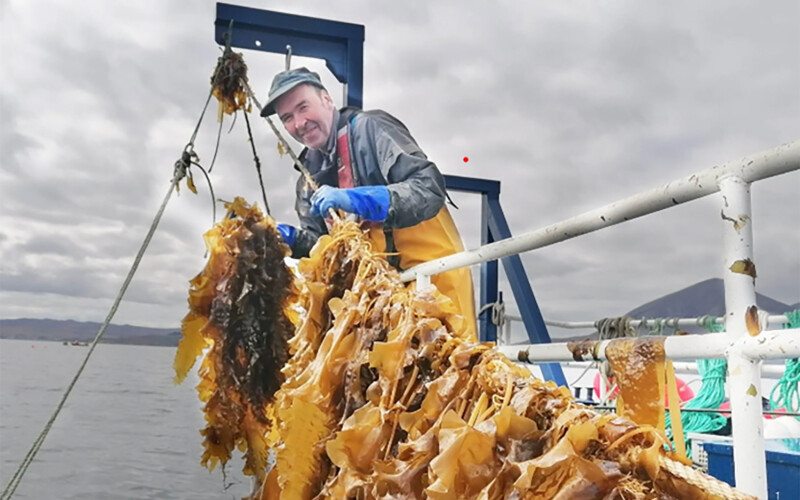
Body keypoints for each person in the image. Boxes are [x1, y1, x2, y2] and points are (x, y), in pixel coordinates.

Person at [262, 67, 476, 336]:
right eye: (287, 118)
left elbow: (428, 188)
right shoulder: (307, 178)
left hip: (433, 281)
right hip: (379, 303)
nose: (299, 123)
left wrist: (359, 199)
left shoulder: (369, 128)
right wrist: (285, 238)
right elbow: (320, 247)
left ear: (327, 99)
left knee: (453, 370)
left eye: (303, 107)